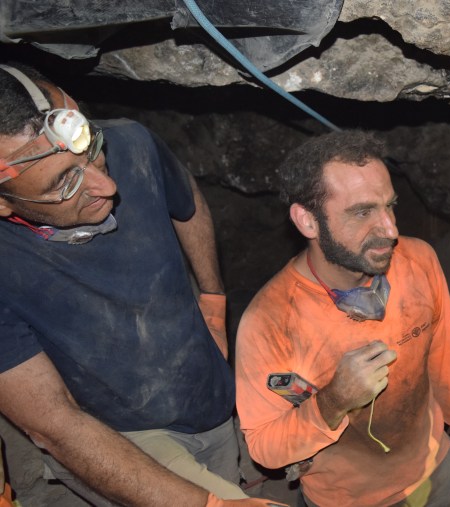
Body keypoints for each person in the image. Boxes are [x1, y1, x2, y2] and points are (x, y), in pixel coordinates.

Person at [0, 63, 286, 507]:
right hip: (117, 434)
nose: (108, 185)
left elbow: (186, 202)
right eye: (65, 182)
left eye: (92, 151)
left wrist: (213, 299)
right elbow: (53, 422)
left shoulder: (131, 142)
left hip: (204, 396)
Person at [235, 131, 450, 507]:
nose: (391, 230)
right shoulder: (268, 322)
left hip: (434, 470)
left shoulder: (419, 261)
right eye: (363, 212)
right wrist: (333, 401)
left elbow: (443, 354)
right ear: (308, 221)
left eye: (389, 206)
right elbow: (265, 448)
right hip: (347, 499)